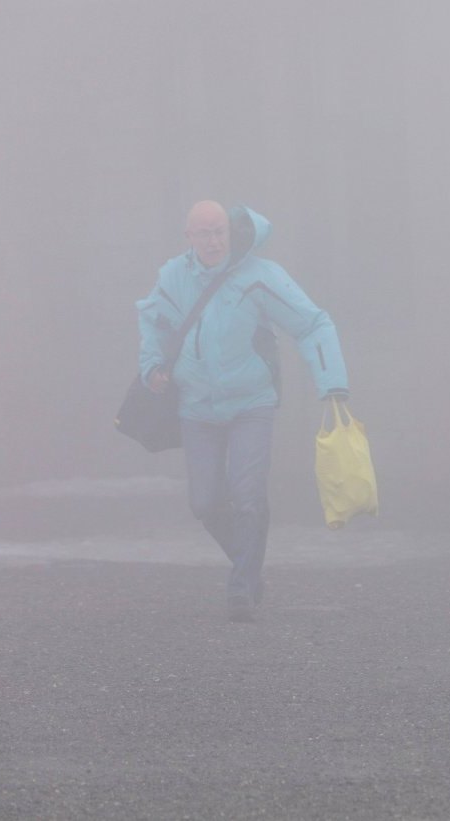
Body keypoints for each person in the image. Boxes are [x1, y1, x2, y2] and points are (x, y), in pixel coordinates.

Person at [137, 201, 349, 621]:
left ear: (231, 234)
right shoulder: (172, 277)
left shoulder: (259, 277)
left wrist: (332, 383)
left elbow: (311, 323)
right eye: (204, 233)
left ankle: (241, 587)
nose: (213, 241)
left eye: (219, 232)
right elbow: (153, 322)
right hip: (196, 407)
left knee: (247, 497)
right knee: (204, 502)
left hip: (251, 403)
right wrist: (151, 368)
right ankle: (249, 566)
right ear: (189, 237)